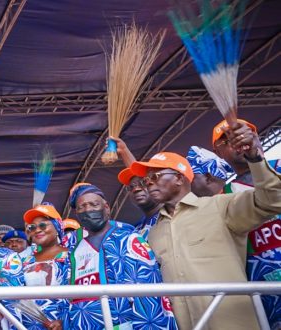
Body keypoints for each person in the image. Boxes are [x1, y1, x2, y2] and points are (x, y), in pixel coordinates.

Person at [130, 120, 280, 330]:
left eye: (154, 177)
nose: (149, 184)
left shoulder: (220, 206)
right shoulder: (152, 234)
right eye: (146, 181)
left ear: (179, 179)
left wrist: (255, 158)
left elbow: (273, 200)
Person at [65, 183, 176, 329]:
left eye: (94, 204)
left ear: (106, 208)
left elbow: (147, 292)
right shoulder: (74, 249)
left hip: (124, 324)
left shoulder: (128, 239)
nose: (88, 210)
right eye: (81, 207)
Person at [212, 119, 281, 328]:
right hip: (267, 293)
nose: (237, 141)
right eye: (227, 141)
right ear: (218, 152)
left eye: (241, 134)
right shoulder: (224, 197)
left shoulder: (279, 166)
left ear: (255, 136)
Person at [21, 204, 68, 330]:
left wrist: (64, 321)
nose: (37, 230)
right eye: (32, 227)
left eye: (43, 225)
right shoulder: (26, 261)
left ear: (57, 226)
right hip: (27, 325)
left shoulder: (70, 255)